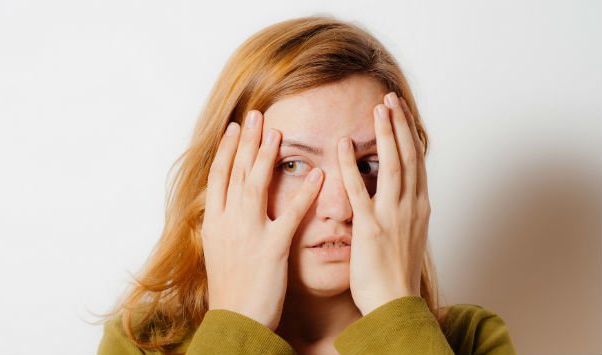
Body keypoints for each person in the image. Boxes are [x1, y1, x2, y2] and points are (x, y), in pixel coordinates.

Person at [98, 15, 517, 355]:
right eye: (293, 164)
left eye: (367, 164)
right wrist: (237, 325)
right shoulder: (145, 342)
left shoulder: (469, 340)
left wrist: (395, 312)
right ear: (224, 177)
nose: (340, 207)